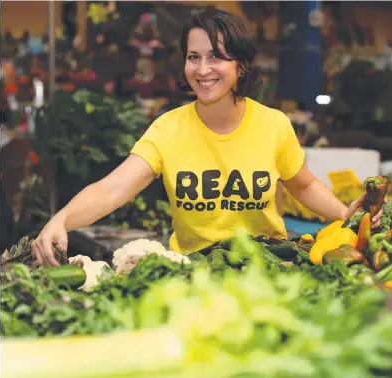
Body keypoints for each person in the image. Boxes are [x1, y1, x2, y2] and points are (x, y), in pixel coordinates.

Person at [32, 9, 383, 266]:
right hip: (195, 270)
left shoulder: (273, 124)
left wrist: (346, 215)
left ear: (240, 65)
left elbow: (302, 185)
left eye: (216, 57)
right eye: (193, 57)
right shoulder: (167, 129)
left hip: (269, 265)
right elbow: (111, 190)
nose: (202, 70)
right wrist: (60, 219)